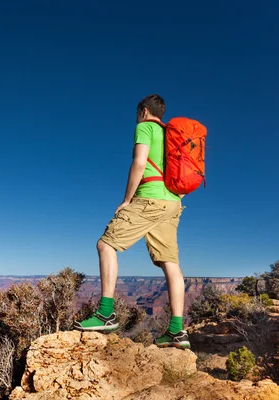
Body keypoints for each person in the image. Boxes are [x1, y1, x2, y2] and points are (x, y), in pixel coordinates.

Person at [74, 94, 190, 349]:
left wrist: (127, 200)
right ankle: (176, 331)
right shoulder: (173, 136)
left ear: (144, 111)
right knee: (170, 263)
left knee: (106, 245)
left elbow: (139, 163)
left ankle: (105, 314)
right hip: (172, 203)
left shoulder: (145, 127)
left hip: (149, 197)